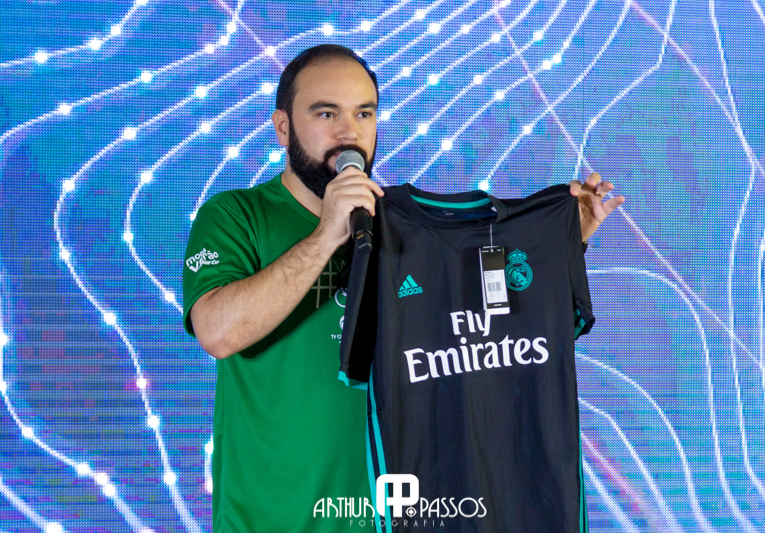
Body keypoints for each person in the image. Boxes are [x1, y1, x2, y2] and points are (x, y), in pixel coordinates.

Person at [182, 43, 624, 532]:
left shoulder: (408, 228)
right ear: (283, 126)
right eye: (326, 113)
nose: (349, 132)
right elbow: (217, 331)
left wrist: (561, 244)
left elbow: (488, 331)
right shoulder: (235, 216)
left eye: (364, 113)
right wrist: (326, 235)